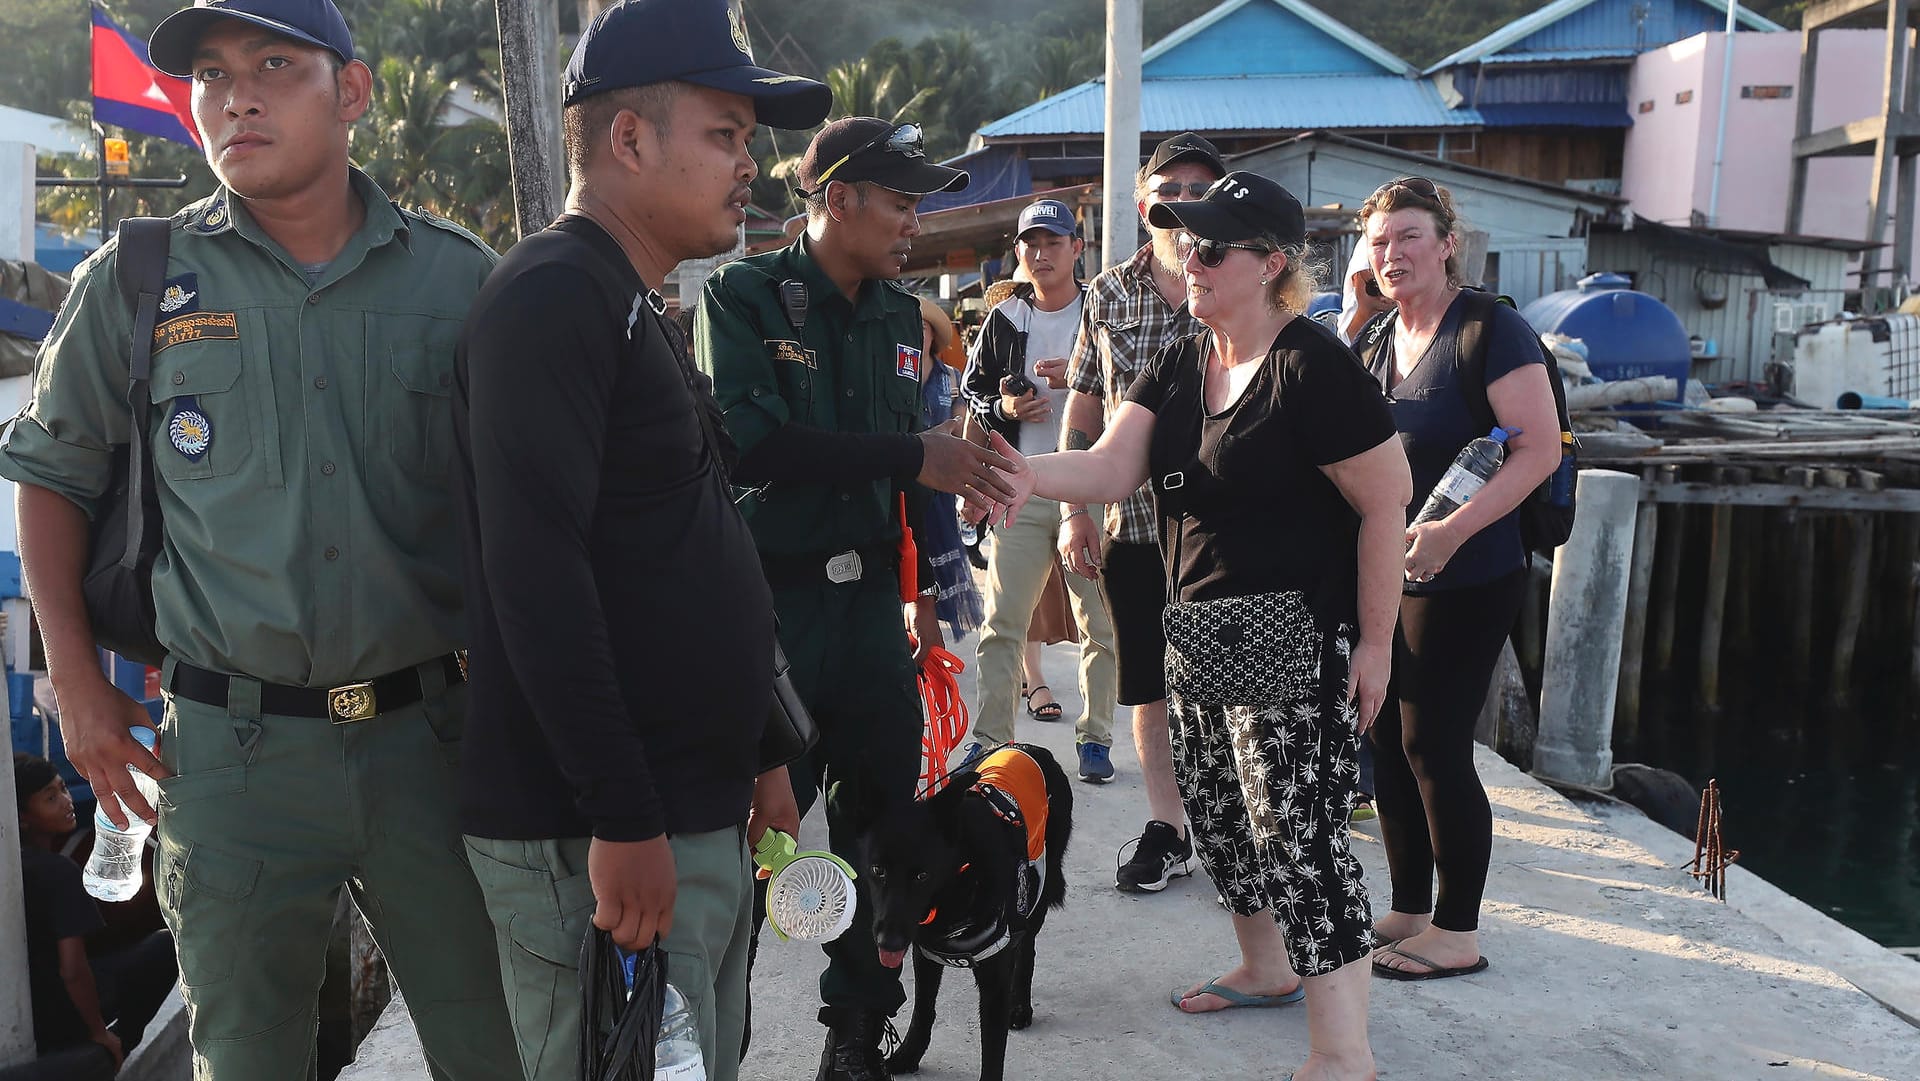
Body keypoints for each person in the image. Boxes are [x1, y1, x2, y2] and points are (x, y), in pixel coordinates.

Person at [0, 0, 520, 1074]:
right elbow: (50, 478)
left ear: (355, 92)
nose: (236, 95)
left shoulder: (460, 280)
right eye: (213, 74)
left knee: (500, 1044)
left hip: (434, 739)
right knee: (245, 1056)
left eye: (276, 65)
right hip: (229, 759)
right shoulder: (136, 280)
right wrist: (79, 686)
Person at [449, 3, 831, 1079]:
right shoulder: (553, 298)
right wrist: (622, 814)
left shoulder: (630, 304)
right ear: (628, 139)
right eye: (725, 133)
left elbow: (681, 542)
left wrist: (759, 751)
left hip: (684, 808)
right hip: (604, 837)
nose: (749, 164)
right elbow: (537, 575)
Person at [989, 172, 1410, 1081]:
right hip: (1200, 634)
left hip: (1296, 638)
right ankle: (1264, 969)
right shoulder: (1181, 363)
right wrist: (1024, 478)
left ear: (1272, 264)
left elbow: (1387, 503)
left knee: (1298, 836)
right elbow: (1107, 468)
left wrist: (1375, 644)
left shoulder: (1312, 365)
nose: (1193, 257)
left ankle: (1344, 1052)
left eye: (1214, 246)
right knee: (1219, 822)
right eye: (1185, 241)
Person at [695, 116, 1013, 1081]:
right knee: (754, 837)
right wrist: (918, 454)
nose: (918, 219)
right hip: (773, 618)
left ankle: (856, 1030)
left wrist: (926, 601)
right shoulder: (742, 297)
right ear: (839, 199)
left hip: (873, 612)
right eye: (902, 199)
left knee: (886, 836)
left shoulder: (901, 317)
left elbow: (912, 479)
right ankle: (719, 1035)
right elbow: (749, 446)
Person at [1356, 176, 1561, 981]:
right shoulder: (1377, 337)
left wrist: (1450, 531)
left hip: (1471, 570)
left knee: (1434, 743)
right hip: (1390, 570)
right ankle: (1409, 905)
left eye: (1409, 236)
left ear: (1448, 243)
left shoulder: (1490, 329)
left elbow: (1537, 448)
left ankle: (1458, 928)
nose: (1393, 253)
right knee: (1384, 736)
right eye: (1378, 242)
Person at [1059, 132, 1223, 889]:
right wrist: (1074, 511)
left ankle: (1233, 831)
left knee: (1227, 689)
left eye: (1201, 187)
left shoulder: (1237, 278)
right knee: (1148, 687)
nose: (1186, 201)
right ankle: (1169, 827)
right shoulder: (1107, 293)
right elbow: (1085, 403)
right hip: (1130, 526)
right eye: (1172, 187)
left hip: (1226, 530)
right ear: (1141, 199)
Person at [961, 198, 1118, 781]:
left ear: (1078, 249)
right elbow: (973, 392)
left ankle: (1096, 737)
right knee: (1002, 621)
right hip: (1019, 486)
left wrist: (1080, 379)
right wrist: (1004, 404)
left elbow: (1132, 389)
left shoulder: (1101, 313)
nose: (1040, 254)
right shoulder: (1005, 319)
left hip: (1091, 487)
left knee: (1098, 623)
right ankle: (990, 741)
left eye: (1053, 242)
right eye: (1030, 243)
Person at [15, 753, 178, 1077]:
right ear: (22, 817)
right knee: (166, 946)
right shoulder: (57, 872)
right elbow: (72, 969)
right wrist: (97, 1033)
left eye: (63, 789)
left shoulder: (19, 867)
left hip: (30, 1004)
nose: (66, 801)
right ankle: (117, 1044)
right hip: (58, 1009)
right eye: (50, 798)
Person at [915, 296, 984, 639]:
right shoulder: (896, 375)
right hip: (910, 477)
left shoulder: (952, 376)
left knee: (945, 547)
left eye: (924, 327)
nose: (918, 333)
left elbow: (962, 419)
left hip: (943, 483)